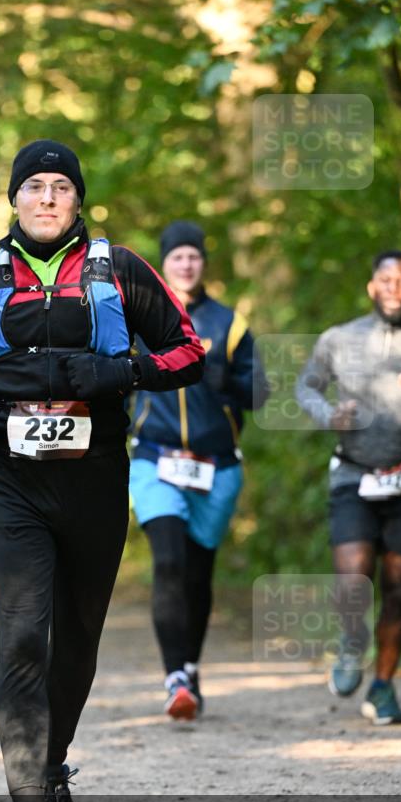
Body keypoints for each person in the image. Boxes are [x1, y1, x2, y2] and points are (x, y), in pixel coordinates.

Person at [0, 141, 204, 802]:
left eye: (60, 187)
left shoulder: (120, 269)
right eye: (33, 187)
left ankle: (50, 766)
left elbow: (189, 351)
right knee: (19, 636)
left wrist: (122, 372)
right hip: (10, 480)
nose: (46, 198)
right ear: (13, 201)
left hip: (95, 475)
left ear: (78, 201)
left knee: (75, 642)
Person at [296, 250, 401, 724]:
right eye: (385, 279)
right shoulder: (339, 339)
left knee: (399, 589)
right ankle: (351, 640)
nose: (393, 288)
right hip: (353, 473)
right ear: (371, 286)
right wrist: (328, 415)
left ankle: (382, 686)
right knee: (354, 575)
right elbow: (307, 387)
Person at [129, 221, 268, 720]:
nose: (186, 264)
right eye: (177, 257)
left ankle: (190, 663)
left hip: (216, 468)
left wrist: (214, 375)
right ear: (163, 263)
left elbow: (259, 393)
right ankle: (175, 681)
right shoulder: (139, 319)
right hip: (155, 459)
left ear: (203, 263)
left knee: (197, 574)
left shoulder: (228, 325)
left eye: (194, 256)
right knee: (167, 561)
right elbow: (116, 381)